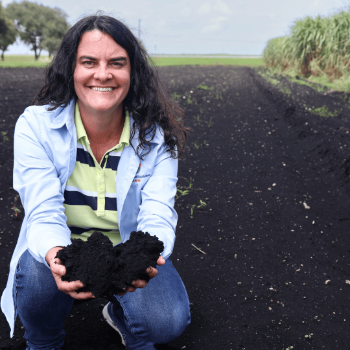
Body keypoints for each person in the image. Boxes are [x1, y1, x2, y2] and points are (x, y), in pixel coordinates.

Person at [1, 15, 190, 350]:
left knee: (166, 319)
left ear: (132, 73)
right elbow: (42, 213)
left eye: (117, 63)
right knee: (34, 276)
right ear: (71, 69)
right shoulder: (35, 126)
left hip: (125, 247)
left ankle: (122, 318)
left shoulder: (156, 138)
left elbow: (158, 214)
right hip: (64, 245)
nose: (103, 74)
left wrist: (142, 259)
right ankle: (43, 340)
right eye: (89, 62)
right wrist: (57, 255)